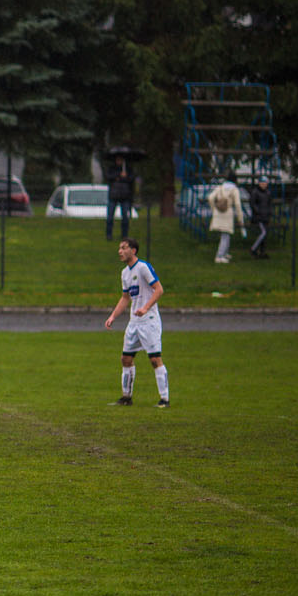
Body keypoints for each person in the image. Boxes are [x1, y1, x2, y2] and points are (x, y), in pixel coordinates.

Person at [104, 238, 168, 407]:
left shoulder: (143, 267)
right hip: (134, 322)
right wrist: (113, 316)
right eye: (119, 248)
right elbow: (125, 298)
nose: (120, 251)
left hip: (149, 321)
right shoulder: (125, 273)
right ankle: (126, 397)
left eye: (123, 248)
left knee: (155, 359)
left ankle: (164, 399)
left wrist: (146, 308)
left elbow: (159, 289)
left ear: (133, 251)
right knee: (125, 358)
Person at [207, 175, 244, 264]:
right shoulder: (234, 190)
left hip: (218, 212)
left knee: (225, 234)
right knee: (226, 235)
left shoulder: (219, 187)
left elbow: (210, 198)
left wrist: (214, 209)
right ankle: (219, 256)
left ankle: (225, 253)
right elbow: (238, 204)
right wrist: (240, 218)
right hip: (228, 213)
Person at [106, 155, 137, 241]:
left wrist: (123, 177)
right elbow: (109, 177)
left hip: (125, 196)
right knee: (110, 217)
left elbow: (131, 179)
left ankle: (124, 235)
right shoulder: (112, 168)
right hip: (113, 195)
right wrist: (119, 175)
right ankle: (109, 235)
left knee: (125, 218)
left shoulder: (128, 169)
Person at [249, 176, 272, 258]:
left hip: (266, 217)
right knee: (263, 233)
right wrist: (258, 212)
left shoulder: (268, 193)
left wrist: (269, 212)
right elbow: (252, 204)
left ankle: (262, 252)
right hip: (258, 217)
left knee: (265, 236)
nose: (263, 184)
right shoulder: (255, 192)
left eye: (265, 183)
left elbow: (269, 204)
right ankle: (253, 249)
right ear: (259, 183)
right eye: (262, 183)